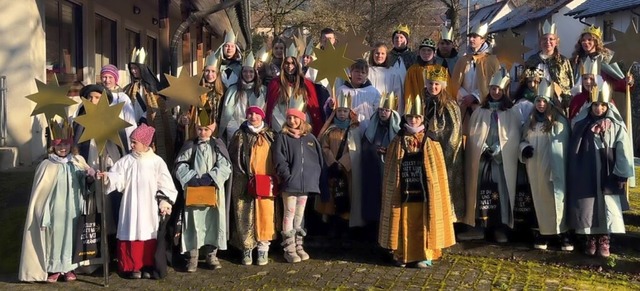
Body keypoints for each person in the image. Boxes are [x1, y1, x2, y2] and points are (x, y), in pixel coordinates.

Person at [378, 94, 456, 268]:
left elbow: (437, 171)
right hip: (403, 189)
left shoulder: (431, 140)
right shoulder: (397, 140)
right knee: (402, 217)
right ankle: (401, 254)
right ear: (405, 117)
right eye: (410, 117)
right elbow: (392, 168)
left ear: (422, 118)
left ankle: (425, 254)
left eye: (417, 117)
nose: (413, 120)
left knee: (424, 218)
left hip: (424, 192)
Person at [97, 124, 178, 279]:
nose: (131, 145)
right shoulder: (126, 161)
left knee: (148, 232)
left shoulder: (156, 161)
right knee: (131, 230)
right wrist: (108, 177)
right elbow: (118, 177)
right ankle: (132, 266)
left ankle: (147, 265)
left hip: (149, 205)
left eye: (135, 142)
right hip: (131, 205)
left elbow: (165, 183)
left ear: (145, 144)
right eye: (131, 141)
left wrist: (164, 202)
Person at [19, 120, 93, 283]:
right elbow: (40, 193)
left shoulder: (77, 161)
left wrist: (89, 177)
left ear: (70, 145)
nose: (62, 149)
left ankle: (69, 268)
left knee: (72, 236)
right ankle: (54, 268)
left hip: (73, 208)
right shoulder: (46, 165)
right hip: (54, 209)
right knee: (54, 237)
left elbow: (85, 183)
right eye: (59, 145)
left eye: (65, 145)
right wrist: (42, 211)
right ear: (53, 146)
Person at [567, 82, 634, 258]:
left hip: (608, 170)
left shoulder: (616, 125)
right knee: (589, 204)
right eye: (595, 105)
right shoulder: (582, 123)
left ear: (608, 105)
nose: (598, 109)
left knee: (607, 204)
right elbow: (573, 134)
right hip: (587, 169)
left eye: (602, 105)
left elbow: (623, 149)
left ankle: (604, 239)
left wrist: (622, 173)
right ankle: (591, 238)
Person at [459, 69, 521, 242]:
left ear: (504, 91)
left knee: (500, 191)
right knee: (479, 191)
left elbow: (514, 135)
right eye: (493, 88)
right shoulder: (480, 111)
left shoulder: (511, 111)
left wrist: (500, 149)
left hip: (500, 161)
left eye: (498, 89)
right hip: (483, 160)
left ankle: (500, 227)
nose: (495, 92)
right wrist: (483, 146)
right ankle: (478, 226)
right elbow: (473, 134)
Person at [174, 111, 232, 272]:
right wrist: (190, 177)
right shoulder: (191, 145)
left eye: (206, 129)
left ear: (212, 129)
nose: (203, 132)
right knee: (193, 223)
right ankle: (192, 257)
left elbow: (225, 166)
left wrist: (211, 177)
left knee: (212, 223)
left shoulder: (217, 145)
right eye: (200, 129)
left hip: (213, 191)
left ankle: (211, 255)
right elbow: (180, 164)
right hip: (194, 191)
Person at [519, 80, 572, 251]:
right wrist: (524, 148)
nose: (541, 104)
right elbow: (522, 140)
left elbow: (564, 144)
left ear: (550, 103)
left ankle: (562, 233)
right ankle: (543, 233)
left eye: (544, 101)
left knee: (556, 199)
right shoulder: (531, 120)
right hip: (535, 167)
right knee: (539, 199)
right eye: (538, 101)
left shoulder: (560, 121)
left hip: (554, 166)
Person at [272, 104, 323, 263]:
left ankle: (299, 244)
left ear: (302, 120)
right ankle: (289, 247)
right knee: (289, 213)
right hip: (290, 184)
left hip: (305, 184)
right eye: (289, 118)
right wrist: (286, 176)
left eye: (295, 118)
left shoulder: (310, 138)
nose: (292, 120)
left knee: (300, 214)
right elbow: (279, 159)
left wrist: (313, 177)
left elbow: (318, 160)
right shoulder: (282, 137)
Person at [228, 106, 278, 266]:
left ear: (262, 116)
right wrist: (245, 174)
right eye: (250, 113)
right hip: (244, 181)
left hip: (266, 180)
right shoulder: (239, 135)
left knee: (266, 214)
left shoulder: (271, 135)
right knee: (244, 214)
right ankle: (246, 248)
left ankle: (263, 249)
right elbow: (234, 158)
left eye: (257, 114)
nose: (253, 116)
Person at [315, 94, 363, 243]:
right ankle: (332, 226)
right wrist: (332, 162)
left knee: (346, 196)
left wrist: (342, 163)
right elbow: (324, 146)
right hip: (332, 170)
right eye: (339, 111)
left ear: (350, 112)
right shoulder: (330, 130)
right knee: (331, 197)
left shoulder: (354, 130)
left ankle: (345, 228)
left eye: (345, 111)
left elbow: (355, 150)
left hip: (346, 171)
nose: (342, 114)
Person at [423, 65, 464, 222]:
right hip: (426, 149)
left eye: (436, 84)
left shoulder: (449, 105)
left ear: (442, 85)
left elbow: (454, 131)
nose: (433, 87)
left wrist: (437, 141)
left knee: (446, 182)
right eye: (430, 83)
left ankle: (448, 218)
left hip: (444, 151)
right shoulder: (424, 100)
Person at [124, 47, 175, 163]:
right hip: (133, 125)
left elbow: (158, 106)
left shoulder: (154, 87)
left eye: (136, 68)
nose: (133, 71)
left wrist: (145, 118)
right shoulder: (128, 88)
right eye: (131, 68)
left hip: (149, 125)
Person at [360, 92, 401, 237]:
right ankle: (372, 227)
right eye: (381, 110)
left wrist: (389, 151)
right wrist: (373, 150)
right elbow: (365, 145)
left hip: (389, 170)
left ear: (392, 111)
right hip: (373, 168)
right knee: (373, 198)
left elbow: (400, 147)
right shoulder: (373, 125)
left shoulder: (397, 129)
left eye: (386, 110)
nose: (383, 113)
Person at [451, 23, 500, 134]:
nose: (471, 39)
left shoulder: (491, 60)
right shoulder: (463, 59)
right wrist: (463, 97)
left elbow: (493, 84)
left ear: (482, 40)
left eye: (475, 37)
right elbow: (455, 82)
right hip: (462, 105)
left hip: (482, 107)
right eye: (470, 37)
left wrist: (474, 96)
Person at [265, 44, 323, 135]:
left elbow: (310, 110)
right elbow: (272, 109)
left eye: (293, 63)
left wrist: (301, 128)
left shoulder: (306, 84)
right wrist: (283, 128)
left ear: (297, 65)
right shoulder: (275, 83)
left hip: (301, 130)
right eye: (287, 63)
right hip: (281, 130)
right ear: (283, 65)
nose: (290, 66)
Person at [177, 52, 227, 147]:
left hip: (215, 133)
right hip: (196, 132)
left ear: (218, 73)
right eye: (207, 71)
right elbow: (185, 110)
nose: (209, 74)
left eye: (213, 71)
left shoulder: (223, 91)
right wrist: (184, 118)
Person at [524, 20, 574, 109]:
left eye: (551, 39)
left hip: (557, 102)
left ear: (556, 42)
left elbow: (569, 84)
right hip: (537, 102)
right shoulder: (532, 60)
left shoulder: (563, 61)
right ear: (540, 41)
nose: (547, 42)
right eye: (544, 39)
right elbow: (526, 83)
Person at [219, 52, 266, 144]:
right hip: (235, 129)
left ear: (255, 73)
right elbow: (227, 114)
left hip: (257, 129)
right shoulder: (232, 90)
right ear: (241, 73)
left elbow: (265, 112)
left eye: (251, 71)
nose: (248, 74)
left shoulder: (263, 90)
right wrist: (235, 130)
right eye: (245, 71)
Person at [337, 59, 381, 131]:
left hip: (367, 129)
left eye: (363, 72)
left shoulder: (373, 92)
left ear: (366, 75)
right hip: (347, 130)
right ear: (350, 72)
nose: (360, 74)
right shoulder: (342, 90)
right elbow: (335, 111)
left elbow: (378, 111)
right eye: (357, 71)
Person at [404, 38, 443, 113]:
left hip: (436, 107)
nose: (426, 53)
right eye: (423, 50)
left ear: (434, 53)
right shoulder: (412, 70)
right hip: (417, 108)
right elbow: (408, 91)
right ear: (419, 52)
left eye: (429, 50)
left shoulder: (441, 70)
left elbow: (446, 90)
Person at [100, 65, 138, 142]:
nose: (107, 80)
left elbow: (130, 122)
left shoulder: (122, 98)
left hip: (118, 138)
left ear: (116, 79)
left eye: (110, 77)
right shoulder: (96, 96)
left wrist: (130, 142)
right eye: (104, 77)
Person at [367, 42, 403, 109]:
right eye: (377, 53)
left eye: (382, 53)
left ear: (386, 55)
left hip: (387, 110)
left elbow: (398, 94)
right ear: (372, 55)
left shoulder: (393, 73)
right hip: (369, 109)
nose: (380, 56)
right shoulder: (367, 72)